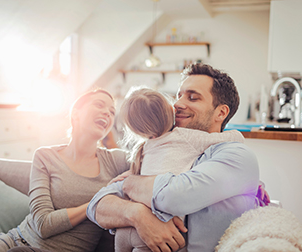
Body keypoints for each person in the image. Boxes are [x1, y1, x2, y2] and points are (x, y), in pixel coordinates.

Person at [87, 63, 269, 252]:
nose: (177, 104)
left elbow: (174, 196)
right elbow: (96, 206)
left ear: (221, 112)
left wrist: (130, 184)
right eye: (178, 95)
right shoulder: (164, 145)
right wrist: (137, 214)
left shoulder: (237, 155)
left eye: (192, 97)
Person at [0, 89, 130, 252]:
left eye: (112, 112)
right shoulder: (45, 156)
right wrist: (95, 203)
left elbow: (152, 160)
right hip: (13, 240)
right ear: (75, 113)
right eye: (99, 105)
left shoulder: (115, 161)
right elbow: (42, 225)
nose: (107, 113)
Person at [113, 86, 245, 252]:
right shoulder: (183, 136)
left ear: (134, 128)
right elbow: (234, 138)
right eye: (179, 97)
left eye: (192, 97)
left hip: (125, 230)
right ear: (171, 110)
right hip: (161, 227)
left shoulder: (143, 149)